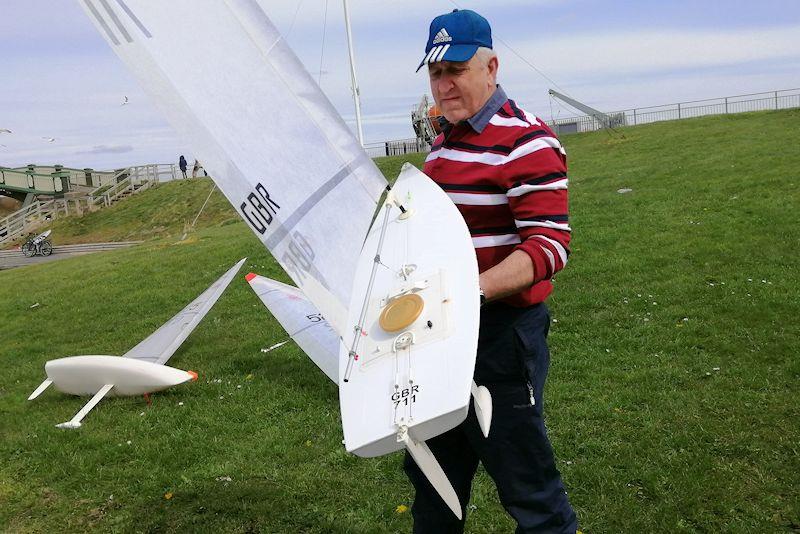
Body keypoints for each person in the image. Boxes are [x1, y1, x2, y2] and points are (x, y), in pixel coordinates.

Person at [404, 9, 578, 533]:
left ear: (492, 67)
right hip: (438, 338)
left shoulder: (527, 141)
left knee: (529, 490)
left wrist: (465, 291)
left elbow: (550, 245)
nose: (445, 83)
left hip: (500, 339)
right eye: (436, 72)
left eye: (456, 69)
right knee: (434, 485)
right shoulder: (444, 142)